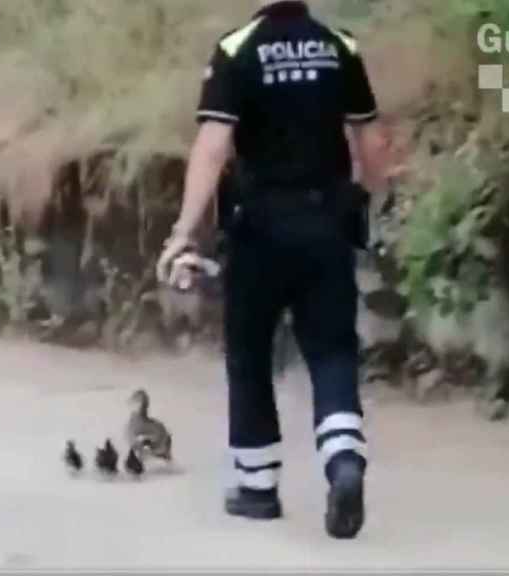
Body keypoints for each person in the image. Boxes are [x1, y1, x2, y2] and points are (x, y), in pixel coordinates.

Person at [156, 0, 389, 539]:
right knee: (332, 350)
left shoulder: (237, 49)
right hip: (326, 223)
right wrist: (361, 200)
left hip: (259, 229)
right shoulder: (339, 46)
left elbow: (213, 149)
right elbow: (369, 140)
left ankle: (257, 487)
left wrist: (183, 233)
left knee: (250, 353)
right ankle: (343, 462)